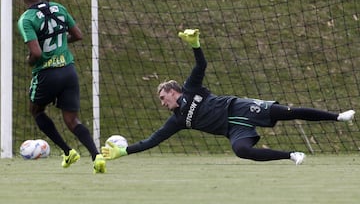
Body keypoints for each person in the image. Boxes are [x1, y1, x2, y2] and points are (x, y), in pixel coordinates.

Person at [101, 28, 355, 165]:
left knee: (288, 112)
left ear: (174, 91)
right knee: (242, 151)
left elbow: (201, 67)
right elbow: (152, 141)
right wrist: (125, 152)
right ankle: (291, 155)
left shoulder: (191, 89)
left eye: (163, 97)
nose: (162, 102)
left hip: (240, 108)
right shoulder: (177, 120)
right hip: (233, 129)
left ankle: (338, 117)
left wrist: (195, 45)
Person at [17, 0, 106, 173]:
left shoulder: (27, 19)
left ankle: (67, 151)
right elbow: (78, 35)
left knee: (36, 110)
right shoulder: (58, 8)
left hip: (47, 74)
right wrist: (60, 44)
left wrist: (29, 60)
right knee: (72, 120)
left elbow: (37, 53)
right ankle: (96, 155)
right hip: (68, 71)